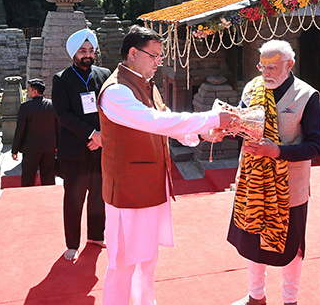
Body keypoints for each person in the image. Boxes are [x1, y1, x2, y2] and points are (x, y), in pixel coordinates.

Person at [97, 25, 236, 305]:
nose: (158, 63)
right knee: (122, 263)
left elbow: (165, 120)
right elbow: (154, 122)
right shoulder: (116, 91)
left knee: (147, 259)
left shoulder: (146, 85)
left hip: (151, 184)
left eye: (160, 57)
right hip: (127, 190)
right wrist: (209, 119)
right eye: (155, 56)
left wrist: (200, 133)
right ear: (133, 54)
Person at [228, 40, 320, 305]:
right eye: (262, 66)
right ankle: (256, 296)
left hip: (289, 187)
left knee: (291, 247)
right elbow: (243, 127)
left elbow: (316, 146)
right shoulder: (252, 89)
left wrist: (278, 151)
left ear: (289, 65)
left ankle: (290, 299)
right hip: (253, 182)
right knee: (253, 241)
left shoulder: (306, 95)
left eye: (272, 67)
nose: (265, 73)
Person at [52, 28, 111, 261]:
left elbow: (111, 109)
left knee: (99, 195)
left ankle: (96, 234)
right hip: (75, 149)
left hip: (100, 147)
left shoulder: (104, 74)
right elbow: (63, 114)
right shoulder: (62, 79)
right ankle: (72, 243)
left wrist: (102, 137)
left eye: (90, 50)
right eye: (82, 51)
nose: (87, 55)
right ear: (73, 54)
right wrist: (91, 135)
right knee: (74, 197)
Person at [11, 78, 59, 187]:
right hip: (49, 147)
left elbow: (20, 130)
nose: (27, 92)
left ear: (35, 92)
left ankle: (27, 200)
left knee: (28, 178)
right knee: (48, 178)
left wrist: (15, 150)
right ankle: (49, 199)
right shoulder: (52, 105)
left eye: (28, 90)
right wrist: (57, 146)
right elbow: (58, 128)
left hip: (30, 148)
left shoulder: (25, 107)